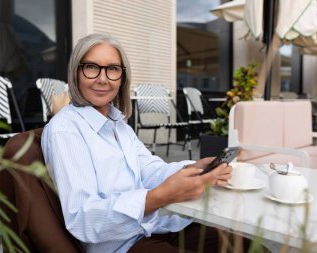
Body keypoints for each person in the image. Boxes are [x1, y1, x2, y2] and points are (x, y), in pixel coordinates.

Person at [41, 33, 235, 253]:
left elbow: (149, 169)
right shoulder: (65, 131)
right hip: (120, 246)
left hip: (154, 228)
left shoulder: (118, 125)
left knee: (247, 247)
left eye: (113, 69)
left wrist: (193, 169)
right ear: (76, 73)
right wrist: (160, 196)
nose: (103, 79)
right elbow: (83, 218)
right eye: (91, 67)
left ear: (122, 77)